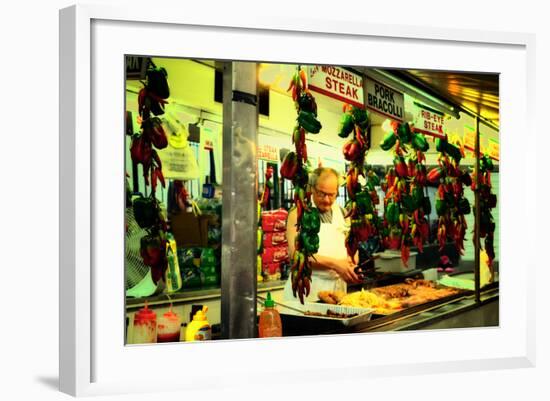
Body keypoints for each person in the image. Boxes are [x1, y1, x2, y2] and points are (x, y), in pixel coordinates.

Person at [283, 167, 362, 302]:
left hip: (337, 291)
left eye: (331, 195)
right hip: (308, 289)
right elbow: (295, 255)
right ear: (312, 189)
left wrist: (352, 264)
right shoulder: (297, 214)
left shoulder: (344, 213)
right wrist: (335, 264)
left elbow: (353, 249)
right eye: (321, 193)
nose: (326, 200)